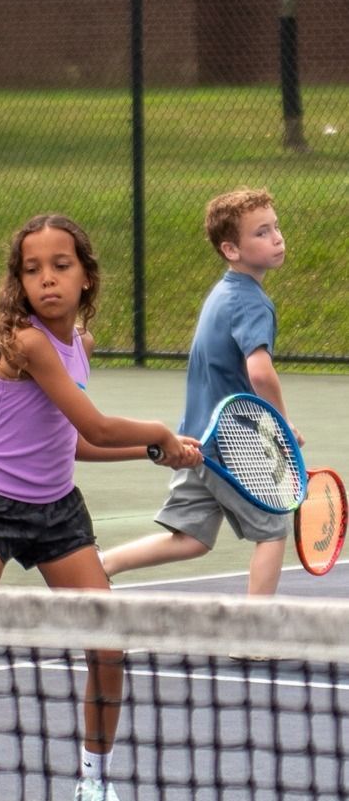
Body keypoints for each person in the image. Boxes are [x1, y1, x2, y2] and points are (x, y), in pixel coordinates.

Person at [0, 214, 200, 801]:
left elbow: (73, 445)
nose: (47, 279)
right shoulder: (28, 342)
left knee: (108, 645)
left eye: (61, 266)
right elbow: (96, 427)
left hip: (57, 512)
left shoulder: (80, 345)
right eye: (32, 269)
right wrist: (155, 432)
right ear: (18, 281)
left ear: (86, 277)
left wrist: (159, 451)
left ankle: (95, 780)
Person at [101, 188, 300, 597]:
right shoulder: (251, 303)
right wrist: (281, 424)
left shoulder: (223, 292)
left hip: (193, 440)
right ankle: (252, 633)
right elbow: (260, 373)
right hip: (232, 443)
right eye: (262, 232)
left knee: (193, 538)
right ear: (231, 249)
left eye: (275, 227)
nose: (277, 237)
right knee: (273, 531)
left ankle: (102, 565)